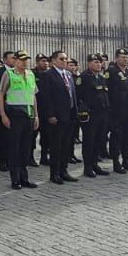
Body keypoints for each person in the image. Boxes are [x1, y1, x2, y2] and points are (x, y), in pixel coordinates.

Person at [0, 51, 40, 189]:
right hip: (15, 114)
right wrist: (3, 115)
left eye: (26, 59)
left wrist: (36, 115)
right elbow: (0, 94)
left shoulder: (31, 74)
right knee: (14, 148)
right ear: (15, 61)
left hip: (28, 114)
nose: (25, 62)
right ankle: (15, 179)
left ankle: (24, 178)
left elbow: (33, 96)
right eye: (22, 60)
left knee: (25, 148)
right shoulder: (9, 74)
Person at [37, 51, 79, 184]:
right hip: (57, 117)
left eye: (66, 59)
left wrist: (75, 111)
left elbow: (72, 94)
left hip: (69, 115)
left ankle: (63, 171)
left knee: (66, 145)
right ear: (54, 60)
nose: (65, 61)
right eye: (61, 59)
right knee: (56, 146)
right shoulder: (47, 75)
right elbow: (46, 97)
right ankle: (54, 173)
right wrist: (50, 115)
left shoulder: (68, 74)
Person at [77, 53, 111, 178]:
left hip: (102, 114)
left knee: (99, 140)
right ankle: (88, 167)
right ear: (89, 63)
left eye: (100, 62)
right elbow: (78, 96)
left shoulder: (101, 77)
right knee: (89, 141)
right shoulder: (84, 77)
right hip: (90, 114)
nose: (98, 64)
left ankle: (95, 164)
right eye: (95, 62)